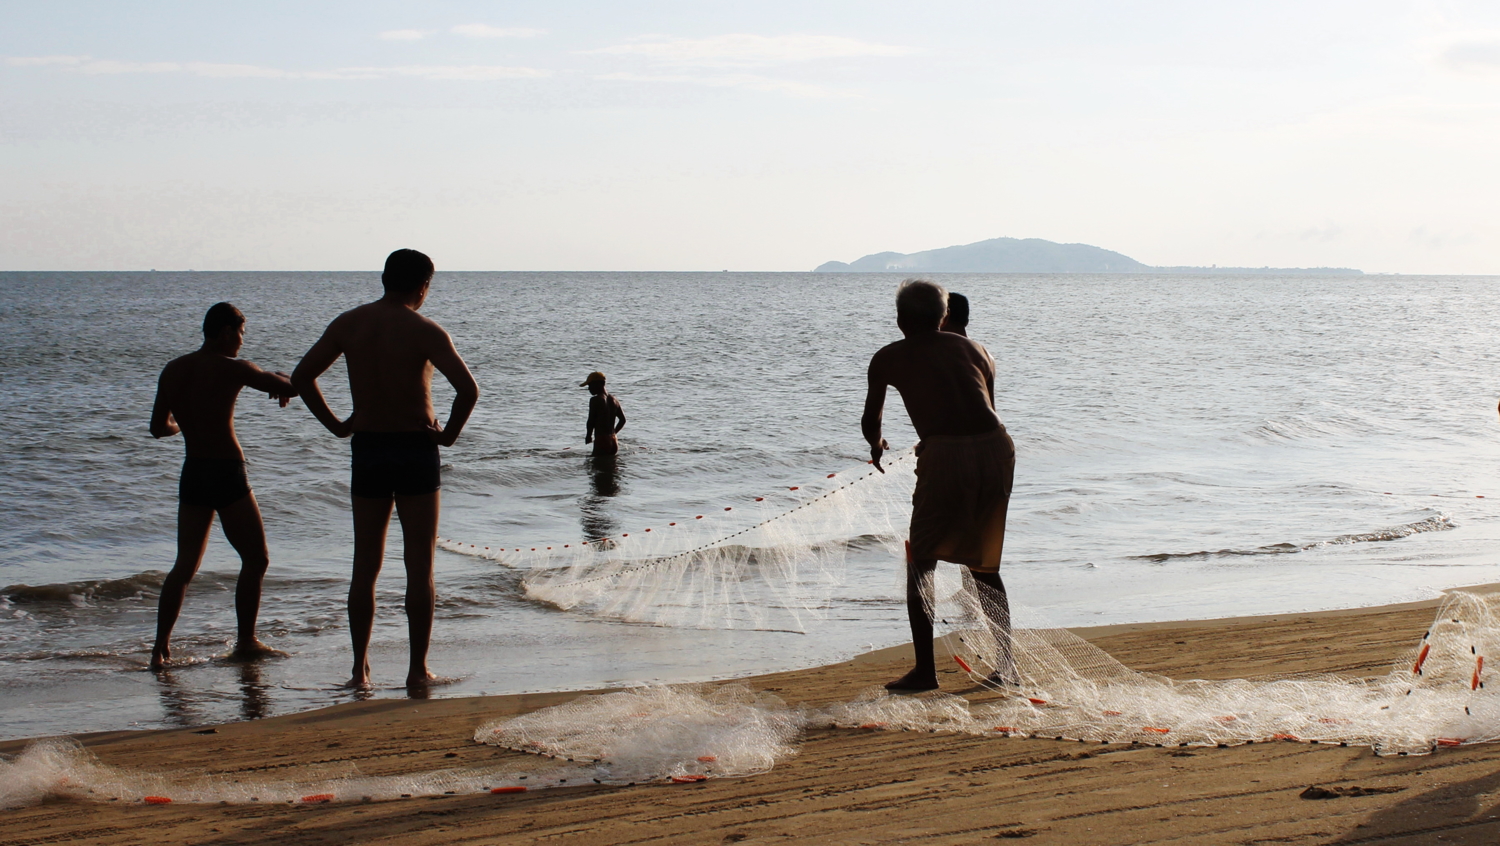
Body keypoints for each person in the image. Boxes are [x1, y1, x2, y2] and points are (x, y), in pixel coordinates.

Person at [291, 249, 479, 689]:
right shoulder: (426, 330)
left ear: (383, 278)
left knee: (365, 566)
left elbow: (302, 377)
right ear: (423, 286)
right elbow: (468, 390)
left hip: (369, 449)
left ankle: (359, 671)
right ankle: (417, 670)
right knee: (420, 566)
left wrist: (338, 426)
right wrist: (447, 436)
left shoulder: (349, 323)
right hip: (415, 449)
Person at [862, 279, 1016, 692]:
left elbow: (871, 421)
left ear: (899, 320)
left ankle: (925, 673)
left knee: (922, 563)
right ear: (944, 316)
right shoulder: (978, 350)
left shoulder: (888, 357)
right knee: (983, 564)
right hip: (996, 449)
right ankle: (1008, 666)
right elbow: (986, 408)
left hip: (946, 455)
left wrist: (877, 447)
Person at [149, 302, 298, 669]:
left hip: (193, 471)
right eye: (242, 333)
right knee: (256, 558)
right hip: (227, 472)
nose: (242, 342)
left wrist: (184, 425)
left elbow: (157, 427)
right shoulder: (235, 369)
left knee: (183, 566)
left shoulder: (173, 369)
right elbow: (291, 388)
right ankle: (246, 641)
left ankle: (160, 649)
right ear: (228, 332)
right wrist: (280, 375)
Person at [581, 371, 626, 456]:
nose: (589, 388)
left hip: (601, 441)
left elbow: (591, 420)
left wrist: (588, 436)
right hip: (614, 441)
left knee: (595, 467)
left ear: (599, 384)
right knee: (611, 467)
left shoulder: (595, 400)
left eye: (590, 385)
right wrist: (614, 433)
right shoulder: (614, 400)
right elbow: (623, 420)